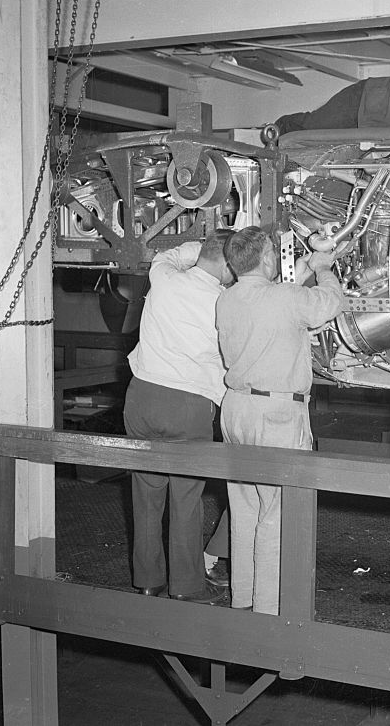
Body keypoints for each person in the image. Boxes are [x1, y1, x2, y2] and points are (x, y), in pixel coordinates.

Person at [215, 226, 346, 614]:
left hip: (236, 410)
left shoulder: (228, 298)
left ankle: (243, 598)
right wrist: (323, 268)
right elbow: (328, 303)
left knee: (245, 509)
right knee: (278, 511)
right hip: (276, 415)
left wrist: (305, 264)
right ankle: (270, 612)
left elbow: (278, 297)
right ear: (269, 258)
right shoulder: (284, 297)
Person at [124, 232, 233, 604]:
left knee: (146, 492)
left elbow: (168, 255)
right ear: (227, 263)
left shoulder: (165, 277)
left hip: (140, 397)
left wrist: (200, 246)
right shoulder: (224, 302)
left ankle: (147, 581)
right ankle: (186, 588)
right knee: (186, 498)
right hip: (187, 404)